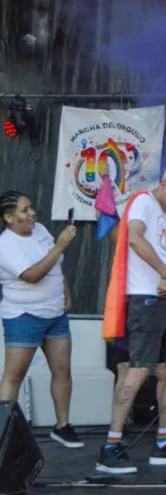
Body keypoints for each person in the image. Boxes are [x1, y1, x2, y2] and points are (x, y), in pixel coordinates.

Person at [96, 162, 166, 474]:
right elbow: (134, 239)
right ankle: (110, 445)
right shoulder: (143, 201)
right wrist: (165, 271)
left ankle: (164, 442)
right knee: (139, 369)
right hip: (144, 297)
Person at [0, 191, 82, 448]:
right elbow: (33, 275)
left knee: (62, 371)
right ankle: (5, 433)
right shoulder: (5, 245)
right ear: (9, 217)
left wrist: (65, 290)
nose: (32, 213)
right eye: (24, 210)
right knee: (14, 376)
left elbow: (56, 265)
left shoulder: (41, 230)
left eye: (32, 207)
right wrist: (60, 246)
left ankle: (62, 426)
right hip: (24, 315)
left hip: (55, 314)